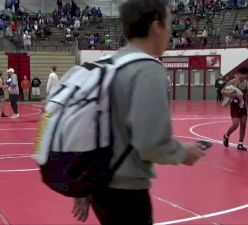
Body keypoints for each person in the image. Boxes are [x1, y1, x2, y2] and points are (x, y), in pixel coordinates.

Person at [71, 1, 205, 224]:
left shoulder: (105, 64)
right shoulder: (148, 70)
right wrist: (184, 154)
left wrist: (83, 187)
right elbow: (151, 144)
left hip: (98, 186)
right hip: (126, 191)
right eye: (169, 24)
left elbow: (86, 130)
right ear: (156, 26)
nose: (171, 32)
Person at [222, 67, 248, 151]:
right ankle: (226, 135)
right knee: (235, 124)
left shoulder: (246, 83)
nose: (244, 76)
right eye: (242, 74)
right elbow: (222, 91)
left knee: (243, 124)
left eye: (245, 74)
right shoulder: (232, 82)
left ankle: (240, 144)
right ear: (238, 74)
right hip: (235, 106)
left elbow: (247, 96)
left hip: (243, 106)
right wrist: (230, 95)